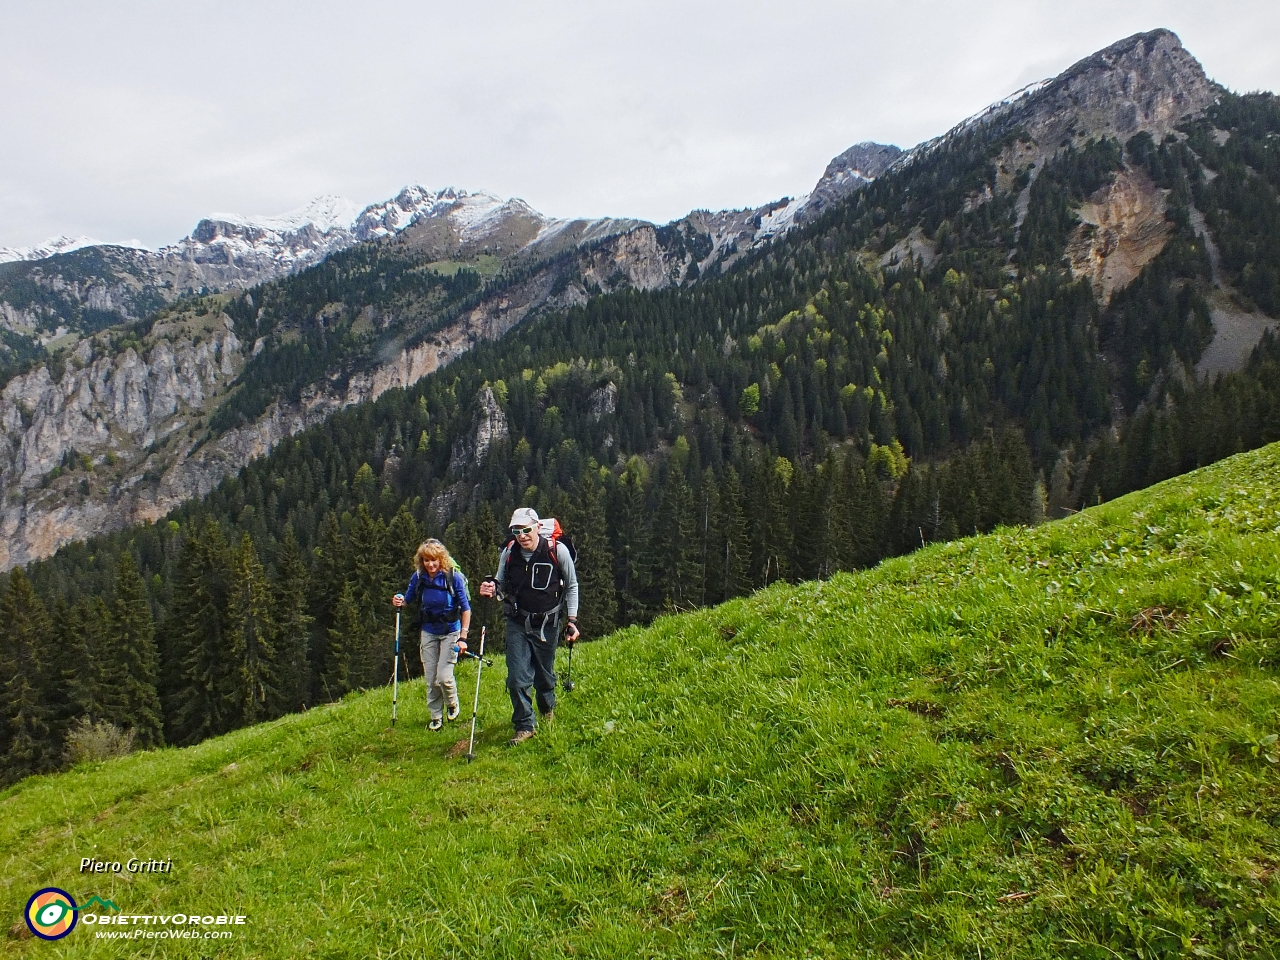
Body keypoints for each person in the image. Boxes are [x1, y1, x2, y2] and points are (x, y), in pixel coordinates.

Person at [478, 508, 580, 746]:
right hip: (518, 622)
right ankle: (525, 725)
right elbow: (500, 583)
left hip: (548, 624)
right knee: (516, 677)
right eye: (516, 531)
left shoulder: (557, 550)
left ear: (536, 527)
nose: (522, 535)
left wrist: (572, 621)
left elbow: (572, 586)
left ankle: (547, 708)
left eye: (526, 530)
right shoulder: (509, 552)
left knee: (545, 675)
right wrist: (491, 589)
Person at [392, 539, 472, 731]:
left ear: (441, 560)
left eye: (434, 560)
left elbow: (466, 609)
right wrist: (399, 600)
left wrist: (463, 637)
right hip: (428, 630)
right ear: (422, 561)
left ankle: (452, 703)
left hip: (451, 631)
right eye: (426, 560)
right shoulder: (419, 577)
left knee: (443, 676)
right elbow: (407, 600)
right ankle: (436, 716)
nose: (430, 565)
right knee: (430, 678)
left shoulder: (453, 578)